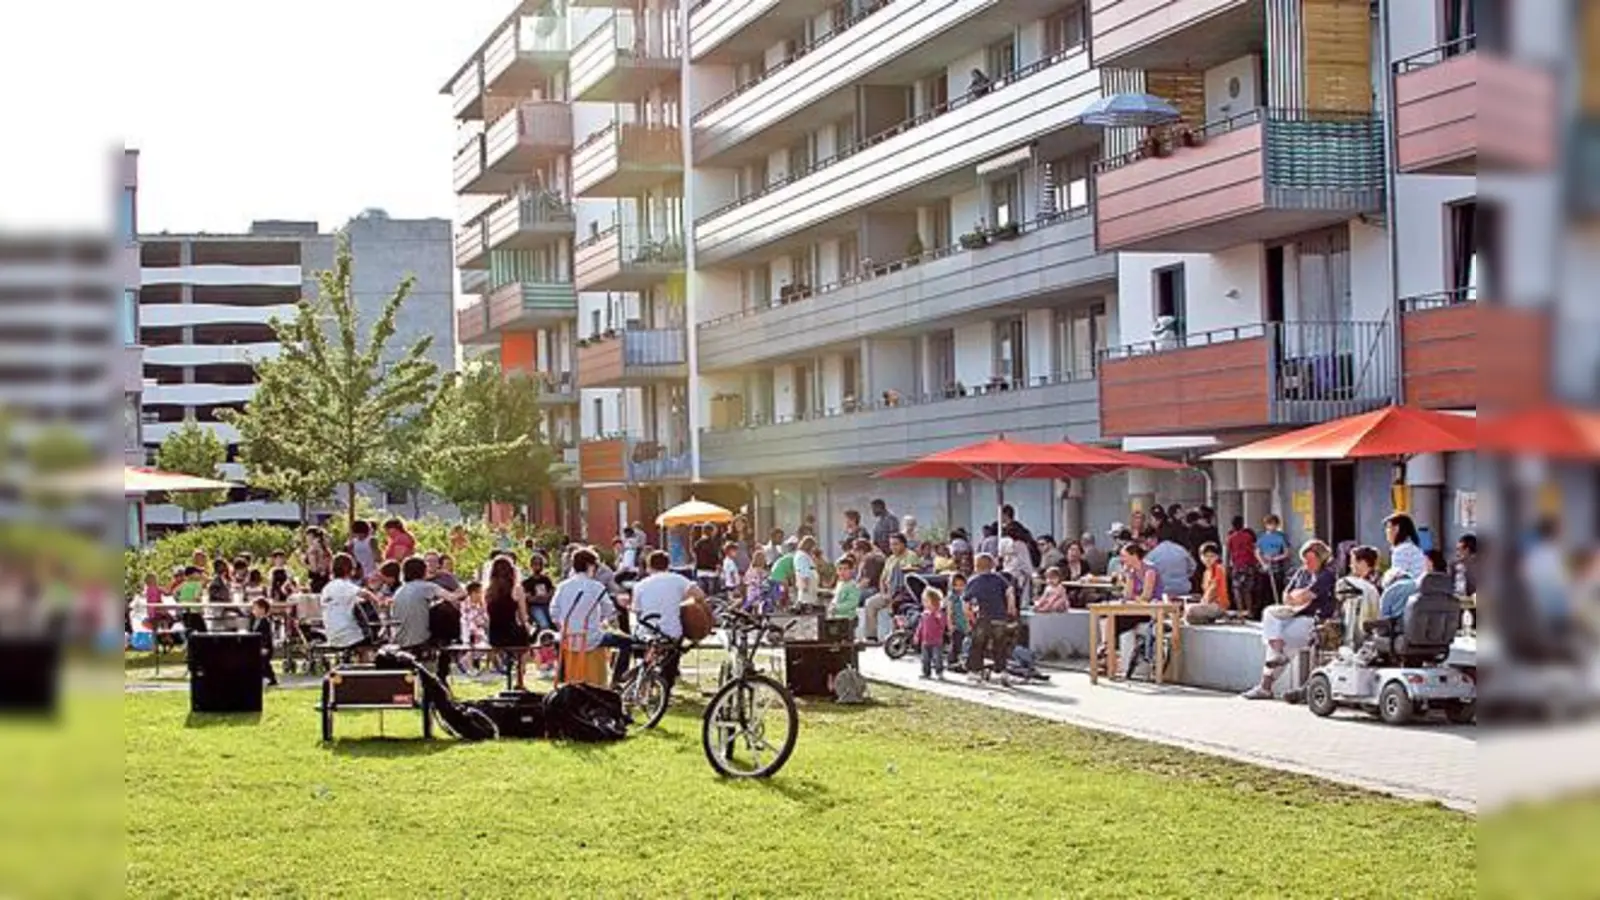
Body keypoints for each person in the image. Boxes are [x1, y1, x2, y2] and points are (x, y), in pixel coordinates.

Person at [1242, 540, 1335, 700]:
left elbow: (1306, 596)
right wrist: (1296, 596)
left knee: (1282, 642)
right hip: (1293, 614)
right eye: (1305, 560)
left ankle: (1265, 686)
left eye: (1311, 560)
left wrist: (1297, 596)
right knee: (1270, 615)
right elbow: (1286, 595)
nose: (1307, 563)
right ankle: (1276, 658)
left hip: (1313, 618)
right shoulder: (1302, 572)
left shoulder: (1326, 575)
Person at [615, 550, 701, 691]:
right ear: (668, 565)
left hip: (647, 630)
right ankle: (669, 678)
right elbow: (699, 596)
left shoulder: (640, 585)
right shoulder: (679, 580)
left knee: (641, 640)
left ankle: (642, 671)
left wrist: (628, 605)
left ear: (648, 567)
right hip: (671, 631)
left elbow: (636, 610)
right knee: (674, 646)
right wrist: (681, 603)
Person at [550, 548, 616, 688]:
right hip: (591, 638)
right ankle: (618, 679)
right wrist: (603, 621)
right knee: (626, 642)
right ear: (590, 566)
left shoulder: (562, 586)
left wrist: (565, 627)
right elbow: (610, 611)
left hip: (568, 639)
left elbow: (554, 613)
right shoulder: (596, 586)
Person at [964, 553, 1016, 684]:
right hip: (999, 617)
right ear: (992, 565)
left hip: (983, 617)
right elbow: (1010, 592)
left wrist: (969, 617)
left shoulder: (974, 581)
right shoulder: (999, 578)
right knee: (1000, 644)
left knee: (978, 644)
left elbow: (966, 601)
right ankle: (1001, 671)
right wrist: (1011, 608)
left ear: (976, 566)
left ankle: (975, 671)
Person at [393, 556, 464, 652]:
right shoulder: (427, 587)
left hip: (401, 638)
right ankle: (452, 641)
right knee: (445, 608)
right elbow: (452, 597)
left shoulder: (399, 590)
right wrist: (460, 590)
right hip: (420, 638)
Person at [485, 556, 531, 689]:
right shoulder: (517, 589)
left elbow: (488, 615)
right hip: (511, 633)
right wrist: (527, 627)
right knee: (526, 643)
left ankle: (500, 664)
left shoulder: (488, 590)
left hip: (494, 635)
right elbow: (523, 616)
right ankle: (520, 679)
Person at [321, 553, 378, 662]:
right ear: (351, 570)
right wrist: (379, 601)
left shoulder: (326, 588)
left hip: (332, 636)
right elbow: (365, 594)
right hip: (348, 636)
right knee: (372, 638)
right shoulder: (345, 585)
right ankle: (365, 667)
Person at [1186, 542, 1229, 624]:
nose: (1208, 559)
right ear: (1201, 557)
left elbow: (1213, 589)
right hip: (1208, 603)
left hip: (1218, 604)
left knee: (1190, 609)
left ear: (1217, 557)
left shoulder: (1218, 569)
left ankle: (1216, 615)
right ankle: (1208, 619)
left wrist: (1203, 602)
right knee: (1188, 616)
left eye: (1212, 556)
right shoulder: (1206, 572)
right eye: (1205, 556)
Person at [1145, 532, 1195, 599]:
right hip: (1182, 589)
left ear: (1156, 539)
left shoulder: (1152, 554)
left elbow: (1145, 571)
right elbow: (1193, 566)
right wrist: (1184, 576)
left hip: (1162, 592)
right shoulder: (1181, 550)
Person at [1255, 515, 1291, 599]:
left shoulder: (1282, 536)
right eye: (1269, 524)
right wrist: (1263, 564)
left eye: (1274, 524)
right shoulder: (1261, 536)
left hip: (1278, 568)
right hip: (1265, 568)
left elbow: (1287, 553)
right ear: (1265, 525)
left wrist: (1275, 558)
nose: (1272, 526)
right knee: (1265, 591)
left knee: (1278, 589)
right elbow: (1257, 553)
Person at [916, 587, 948, 679]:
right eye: (924, 601)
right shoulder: (924, 614)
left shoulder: (938, 613)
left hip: (936, 640)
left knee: (937, 657)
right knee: (925, 658)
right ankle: (926, 672)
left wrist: (937, 617)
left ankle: (939, 672)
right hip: (925, 640)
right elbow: (921, 625)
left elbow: (942, 625)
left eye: (927, 601)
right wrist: (917, 635)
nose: (924, 603)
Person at [1384, 512, 1427, 580]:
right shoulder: (1412, 547)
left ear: (1397, 528)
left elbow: (1397, 579)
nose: (1386, 531)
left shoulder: (1402, 550)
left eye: (1388, 527)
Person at [521, 553, 556, 632]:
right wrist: (539, 598)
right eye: (535, 564)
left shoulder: (546, 579)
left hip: (548, 605)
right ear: (531, 565)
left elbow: (552, 592)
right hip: (535, 607)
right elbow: (529, 598)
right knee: (544, 625)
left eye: (540, 564)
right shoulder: (527, 582)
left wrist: (546, 597)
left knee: (555, 622)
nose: (538, 567)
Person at [248, 598, 278, 687]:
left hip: (265, 647)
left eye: (255, 608)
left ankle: (271, 678)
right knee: (257, 664)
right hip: (255, 646)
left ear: (262, 609)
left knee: (264, 664)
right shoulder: (253, 620)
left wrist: (264, 647)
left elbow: (266, 636)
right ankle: (259, 678)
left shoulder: (265, 622)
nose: (253, 611)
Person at [945, 572, 971, 670]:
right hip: (957, 624)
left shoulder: (967, 596)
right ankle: (952, 661)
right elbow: (949, 611)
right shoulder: (952, 597)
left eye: (961, 585)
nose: (959, 588)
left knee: (965, 644)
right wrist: (950, 624)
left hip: (965, 623)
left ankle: (963, 662)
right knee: (955, 643)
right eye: (956, 585)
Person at [792, 536, 820, 608]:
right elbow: (803, 570)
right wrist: (805, 583)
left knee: (810, 601)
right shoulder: (801, 556)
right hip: (807, 581)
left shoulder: (805, 555)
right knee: (806, 601)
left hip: (810, 581)